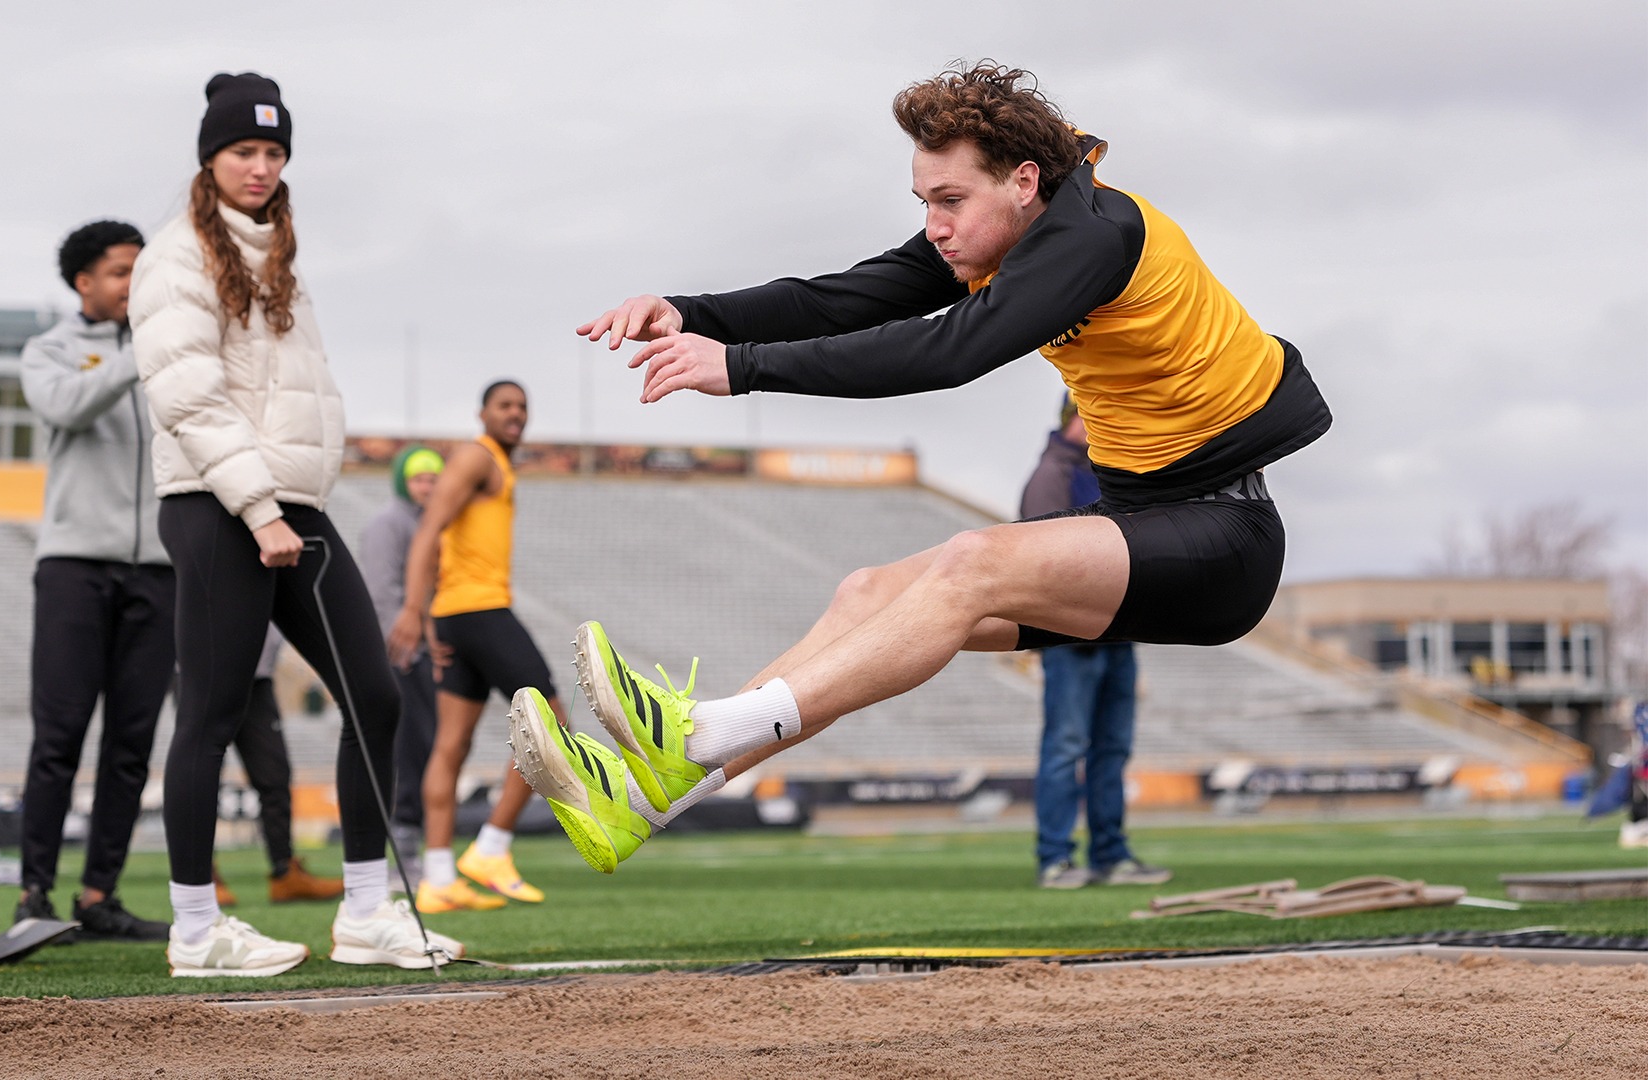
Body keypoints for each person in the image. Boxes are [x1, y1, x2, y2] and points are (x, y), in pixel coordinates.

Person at [507, 63, 1332, 875]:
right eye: (925, 203)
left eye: (950, 201)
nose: (935, 226)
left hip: (1223, 537)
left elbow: (954, 348)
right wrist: (690, 313)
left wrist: (744, 366)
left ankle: (696, 737)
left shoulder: (1096, 235)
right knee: (865, 593)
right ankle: (641, 804)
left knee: (972, 562)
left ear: (1022, 181)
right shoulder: (1010, 233)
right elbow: (851, 297)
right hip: (1138, 525)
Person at [131, 71, 458, 975]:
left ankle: (364, 913)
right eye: (245, 150)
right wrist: (259, 509)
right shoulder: (173, 258)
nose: (262, 168)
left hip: (295, 507)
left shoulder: (281, 257)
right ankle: (196, 930)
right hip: (218, 506)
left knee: (375, 694)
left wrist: (289, 503)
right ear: (212, 156)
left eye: (275, 153)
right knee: (212, 710)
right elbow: (188, 399)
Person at [13, 219, 172, 941]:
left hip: (158, 571)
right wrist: (141, 355)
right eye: (119, 272)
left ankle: (99, 894)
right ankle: (34, 894)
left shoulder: (168, 354)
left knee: (132, 742)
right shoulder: (47, 352)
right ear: (83, 282)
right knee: (60, 736)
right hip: (74, 566)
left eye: (141, 271)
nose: (132, 284)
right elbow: (66, 407)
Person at [387, 383, 554, 911]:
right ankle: (492, 846)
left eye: (523, 406)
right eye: (505, 405)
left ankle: (437, 877)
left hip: (457, 616)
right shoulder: (476, 457)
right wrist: (414, 610)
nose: (516, 414)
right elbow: (427, 530)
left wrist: (433, 615)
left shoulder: (497, 465)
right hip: (478, 610)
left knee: (451, 745)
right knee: (549, 717)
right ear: (482, 413)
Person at [1020, 394, 1167, 890]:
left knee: (1112, 749)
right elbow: (1039, 561)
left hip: (1117, 636)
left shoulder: (1107, 468)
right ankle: (1055, 859)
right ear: (1078, 416)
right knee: (1065, 747)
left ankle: (1111, 854)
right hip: (1070, 642)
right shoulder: (1052, 475)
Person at [354, 445, 448, 890]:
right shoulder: (386, 525)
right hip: (401, 656)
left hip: (427, 655)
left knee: (426, 749)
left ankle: (418, 851)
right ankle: (399, 859)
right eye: (418, 479)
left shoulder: (434, 524)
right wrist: (406, 645)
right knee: (406, 754)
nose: (427, 487)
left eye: (433, 479)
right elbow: (380, 594)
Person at [211, 625, 347, 906]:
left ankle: (285, 873)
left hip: (257, 674)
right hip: (205, 669)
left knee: (274, 774)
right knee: (203, 772)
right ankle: (200, 876)